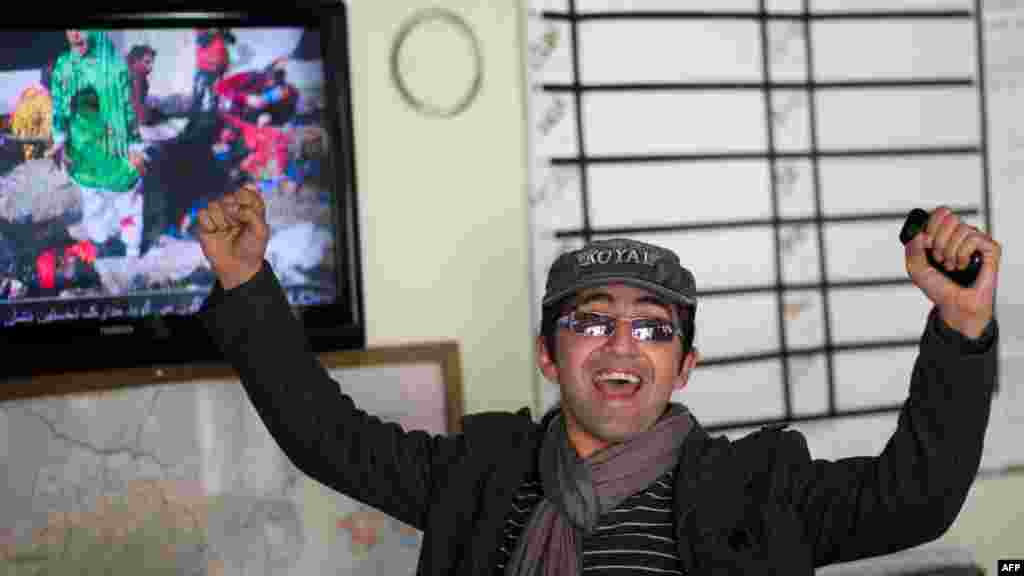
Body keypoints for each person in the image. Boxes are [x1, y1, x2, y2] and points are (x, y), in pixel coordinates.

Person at [196, 186, 1001, 575]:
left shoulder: (759, 489)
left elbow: (917, 497)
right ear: (550, 356)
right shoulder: (477, 474)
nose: (622, 345)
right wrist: (246, 285)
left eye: (654, 329)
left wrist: (961, 329)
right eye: (592, 321)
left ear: (683, 367)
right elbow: (326, 437)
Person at [46, 29, 148, 258]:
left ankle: (131, 248)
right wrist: (60, 141)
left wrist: (135, 147)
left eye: (81, 30)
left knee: (126, 199)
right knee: (93, 201)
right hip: (84, 150)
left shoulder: (114, 65)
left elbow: (128, 110)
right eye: (70, 30)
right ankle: (100, 245)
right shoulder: (64, 66)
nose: (75, 36)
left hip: (115, 147)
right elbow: (59, 110)